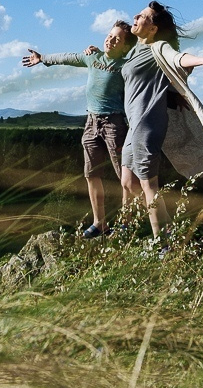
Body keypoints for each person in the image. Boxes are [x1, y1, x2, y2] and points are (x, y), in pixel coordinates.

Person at [122, 1, 203, 246]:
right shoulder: (135, 51)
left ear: (153, 29)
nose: (136, 16)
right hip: (134, 126)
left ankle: (164, 244)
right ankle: (167, 228)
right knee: (128, 182)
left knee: (149, 187)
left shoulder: (157, 47)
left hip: (146, 126)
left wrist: (202, 60)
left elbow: (177, 57)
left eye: (144, 16)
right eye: (138, 13)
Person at [22, 20, 136, 238]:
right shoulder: (92, 56)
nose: (110, 40)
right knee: (91, 174)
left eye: (117, 39)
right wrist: (42, 58)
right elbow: (68, 57)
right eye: (110, 36)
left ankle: (125, 225)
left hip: (115, 124)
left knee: (125, 178)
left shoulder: (127, 65)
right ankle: (99, 223)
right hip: (91, 123)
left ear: (125, 46)